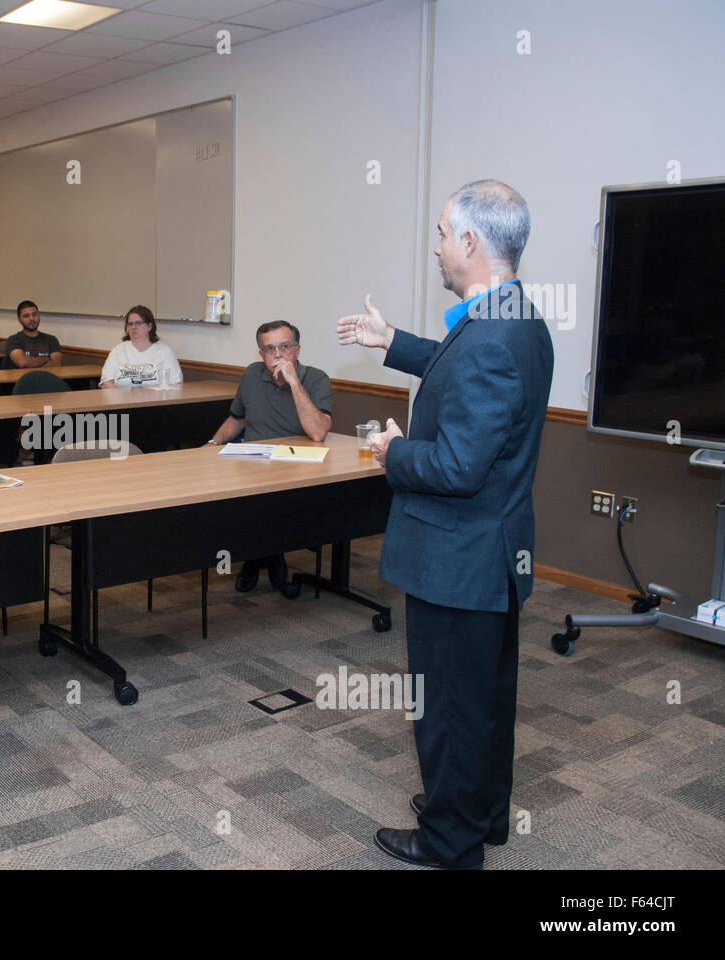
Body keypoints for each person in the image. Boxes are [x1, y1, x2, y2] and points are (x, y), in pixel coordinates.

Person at [337, 179, 553, 870]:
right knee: (482, 701)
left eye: (440, 233)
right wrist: (391, 341)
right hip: (491, 554)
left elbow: (458, 465)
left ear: (469, 241)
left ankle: (450, 843)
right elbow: (461, 376)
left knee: (450, 710)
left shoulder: (491, 336)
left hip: (458, 559)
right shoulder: (515, 318)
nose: (434, 248)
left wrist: (391, 451)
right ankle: (478, 813)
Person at [205, 320, 333, 592]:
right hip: (252, 464)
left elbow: (318, 432)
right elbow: (237, 419)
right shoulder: (252, 375)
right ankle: (266, 556)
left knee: (273, 505)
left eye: (285, 347)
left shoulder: (317, 378)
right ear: (260, 354)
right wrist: (213, 442)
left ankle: (260, 557)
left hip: (296, 467)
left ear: (297, 350)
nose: (278, 355)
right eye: (270, 349)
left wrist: (294, 382)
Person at [99, 305, 183, 388]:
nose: (133, 327)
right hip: (122, 400)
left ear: (149, 326)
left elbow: (175, 382)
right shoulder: (118, 350)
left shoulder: (164, 351)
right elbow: (106, 381)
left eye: (138, 323)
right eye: (130, 324)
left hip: (155, 400)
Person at [2, 300, 62, 369]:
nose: (32, 318)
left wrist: (30, 363)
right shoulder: (14, 340)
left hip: (46, 378)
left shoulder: (51, 339)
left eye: (34, 314)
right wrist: (46, 359)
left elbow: (56, 364)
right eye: (26, 316)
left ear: (39, 315)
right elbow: (22, 362)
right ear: (19, 320)